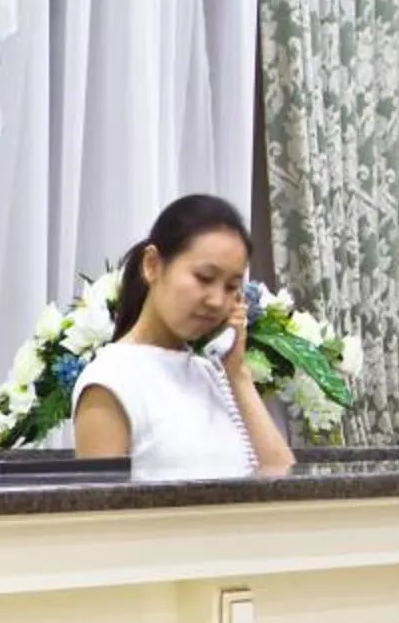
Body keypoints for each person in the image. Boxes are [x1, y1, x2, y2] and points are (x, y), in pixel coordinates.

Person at [71, 193, 295, 481]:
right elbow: (98, 517)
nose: (216, 300)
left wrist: (238, 375)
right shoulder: (109, 382)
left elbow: (285, 481)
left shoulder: (212, 375)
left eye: (231, 287)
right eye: (204, 278)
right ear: (152, 265)